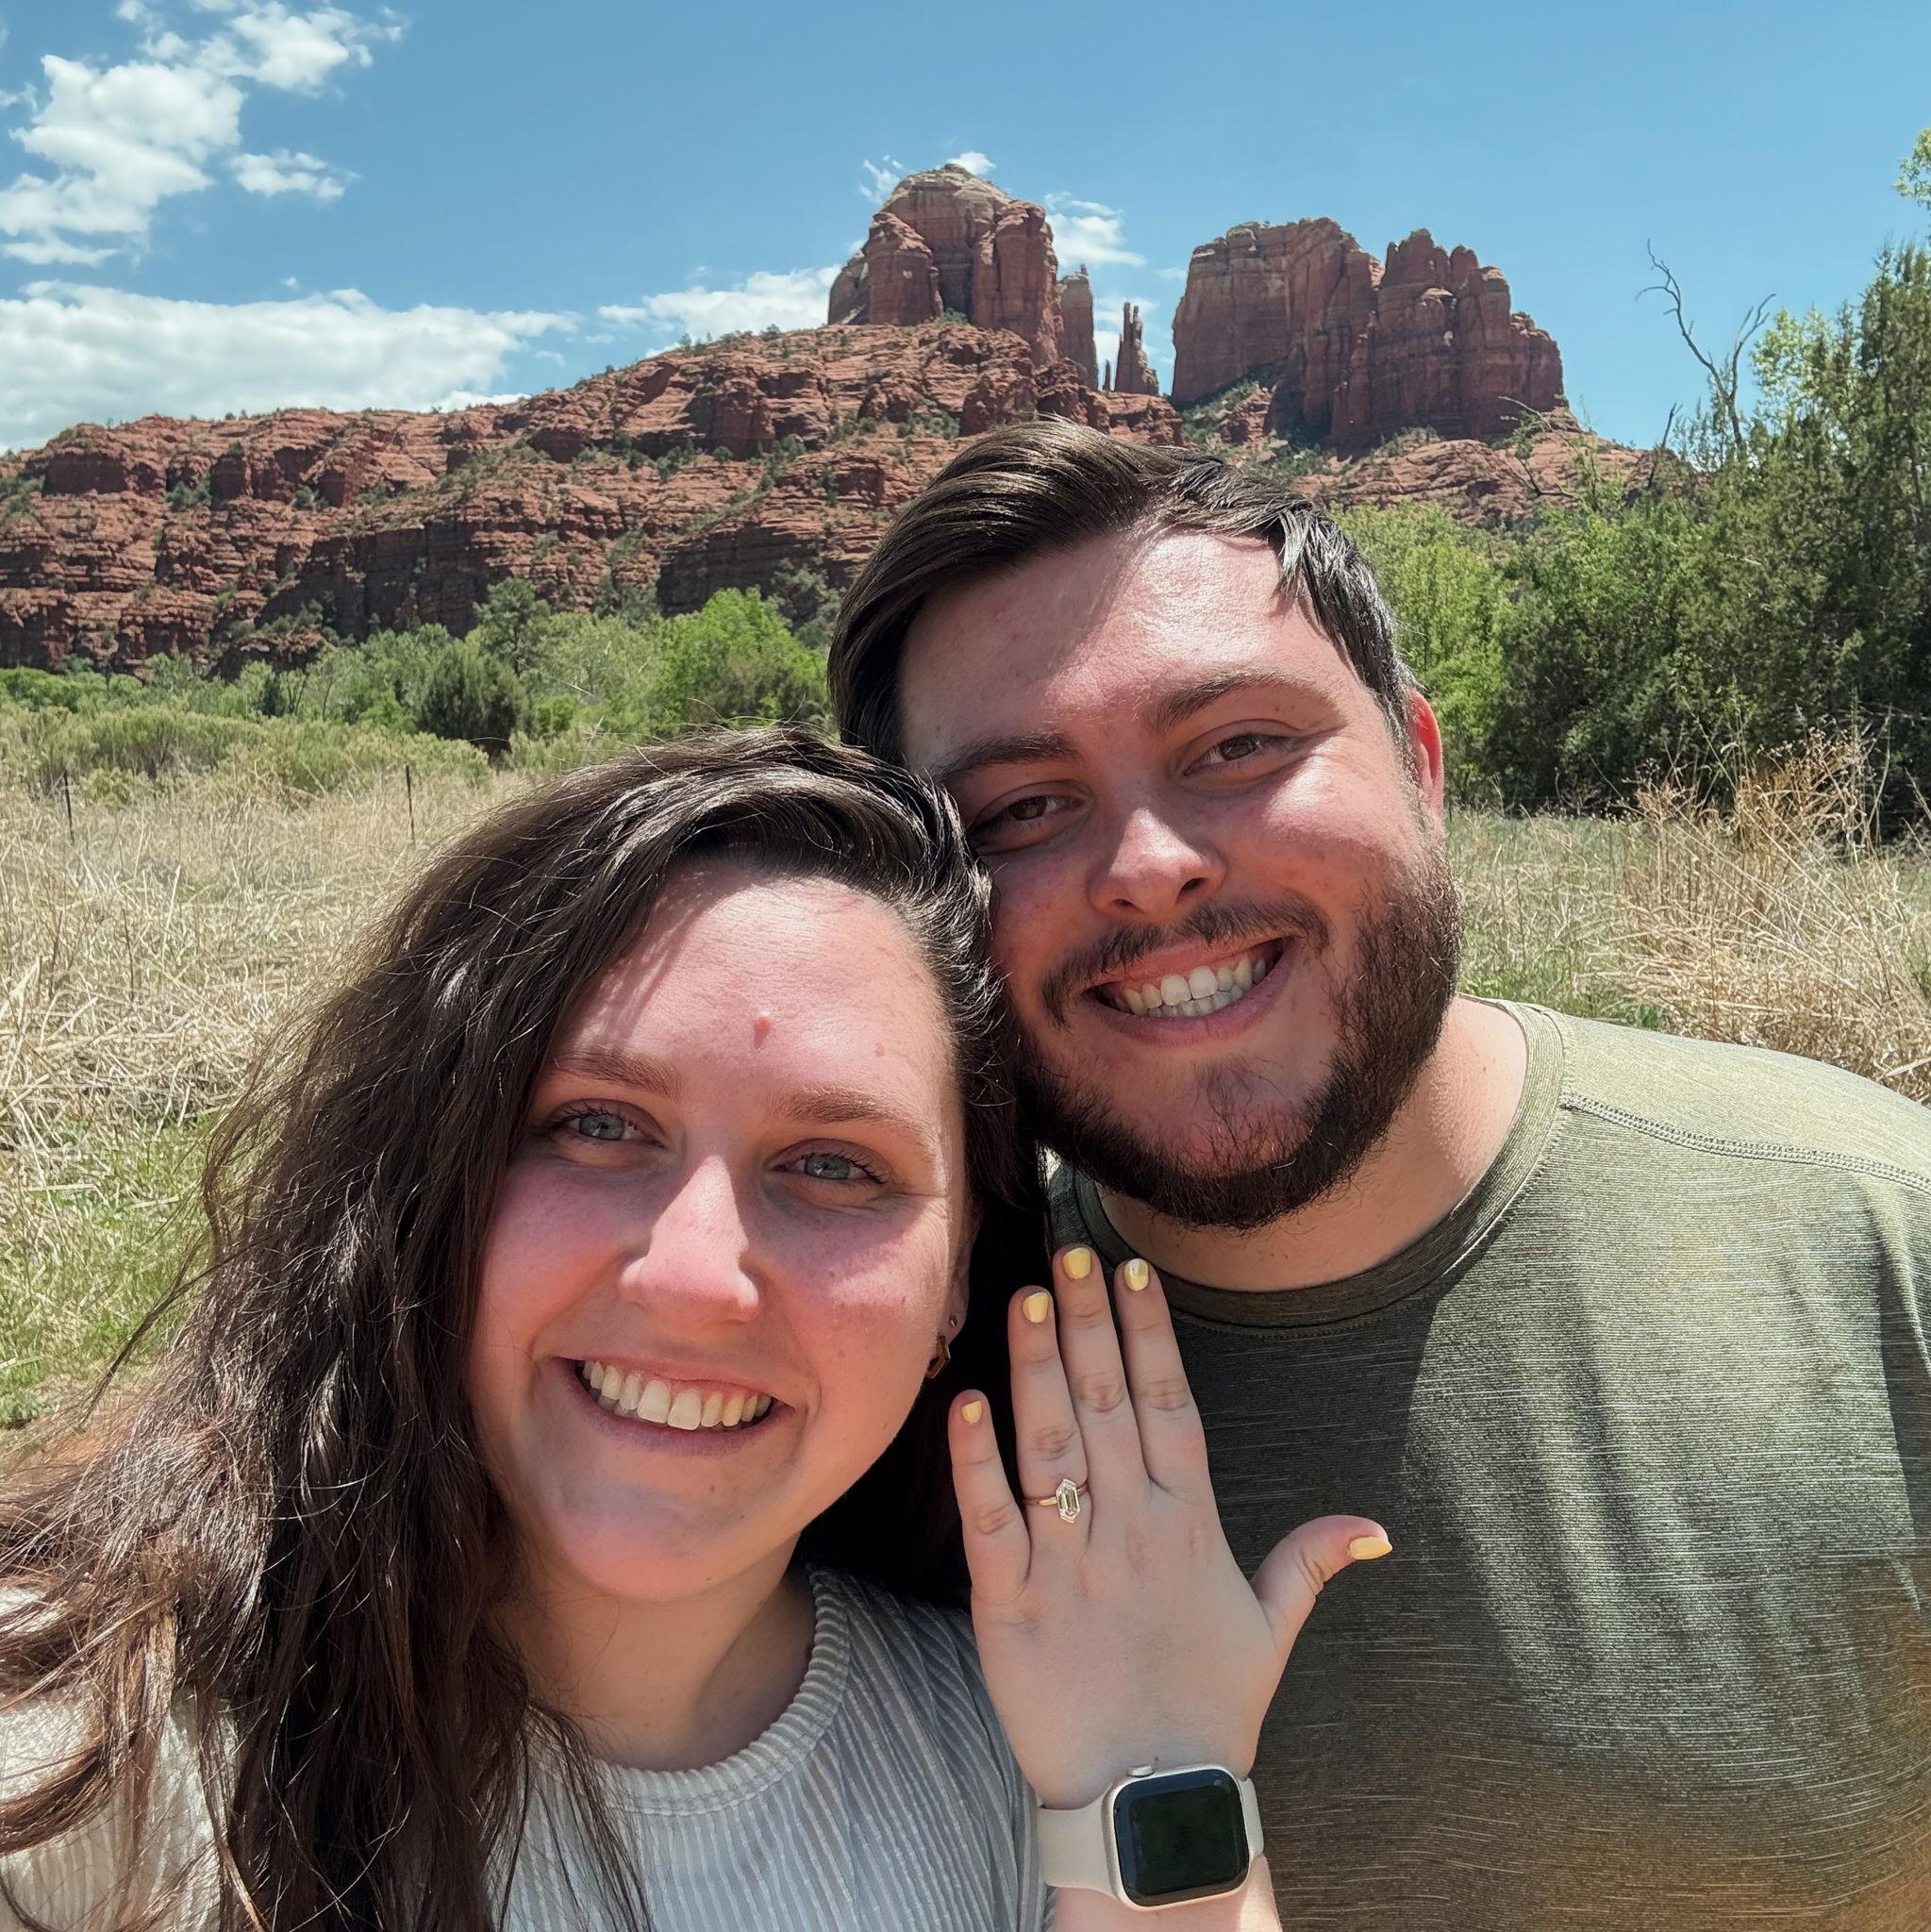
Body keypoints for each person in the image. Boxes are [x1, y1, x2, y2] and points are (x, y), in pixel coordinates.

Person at [828, 419, 1931, 1929]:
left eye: (1238, 747)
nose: (1147, 865)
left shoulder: (1882, 1244)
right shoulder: (861, 1400)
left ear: (1421, 762)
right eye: (1020, 811)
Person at [0, 728, 1385, 1930]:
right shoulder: (80, 1764)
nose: (693, 1277)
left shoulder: (1030, 1766)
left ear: (957, 1280)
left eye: (834, 1165)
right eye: (598, 1127)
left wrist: (1157, 1774)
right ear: (433, 1176)